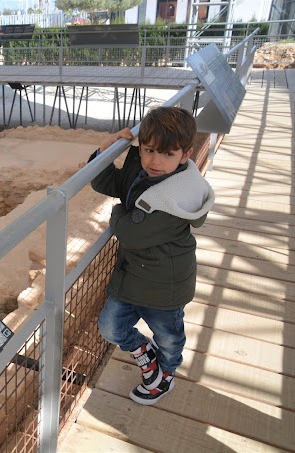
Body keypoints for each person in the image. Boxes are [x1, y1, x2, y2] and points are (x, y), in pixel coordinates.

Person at [89, 107, 215, 405]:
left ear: (186, 155)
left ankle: (166, 373)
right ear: (141, 146)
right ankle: (144, 353)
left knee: (168, 337)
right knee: (110, 326)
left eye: (167, 154)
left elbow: (130, 232)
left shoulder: (178, 194)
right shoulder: (142, 170)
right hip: (134, 275)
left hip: (165, 284)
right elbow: (105, 183)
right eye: (148, 150)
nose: (155, 161)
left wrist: (121, 211)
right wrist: (104, 150)